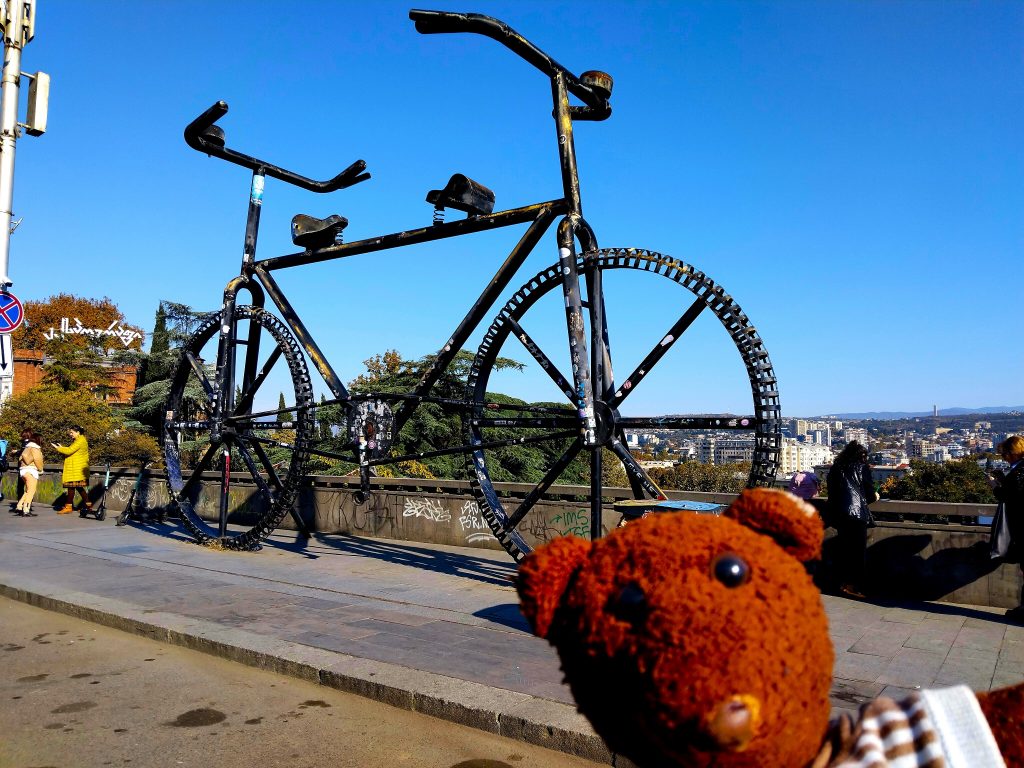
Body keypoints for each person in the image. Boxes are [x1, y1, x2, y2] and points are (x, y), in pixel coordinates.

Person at [826, 441, 878, 599]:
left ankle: (842, 584)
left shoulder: (836, 468)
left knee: (844, 550)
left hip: (840, 515)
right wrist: (875, 496)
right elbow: (868, 493)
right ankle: (853, 586)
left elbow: (832, 493)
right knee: (857, 553)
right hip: (857, 515)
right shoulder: (862, 468)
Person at [991, 435, 1024, 621]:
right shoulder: (1018, 469)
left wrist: (995, 486)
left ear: (1013, 453)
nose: (1004, 457)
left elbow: (1011, 496)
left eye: (1005, 454)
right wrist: (1003, 479)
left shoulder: (1021, 470)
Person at [53, 426, 90, 515]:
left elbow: (69, 451)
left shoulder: (80, 441)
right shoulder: (79, 440)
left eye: (72, 432)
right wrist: (62, 447)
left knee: (71, 487)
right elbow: (72, 450)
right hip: (77, 469)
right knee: (79, 487)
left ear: (77, 432)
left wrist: (59, 448)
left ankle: (68, 507)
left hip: (76, 469)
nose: (70, 434)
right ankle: (88, 506)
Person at [16, 430, 43, 516]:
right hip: (31, 471)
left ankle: (20, 506)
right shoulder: (35, 448)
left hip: (23, 470)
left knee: (27, 490)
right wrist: (40, 469)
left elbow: (20, 458)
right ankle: (26, 509)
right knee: (31, 491)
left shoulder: (27, 447)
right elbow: (38, 460)